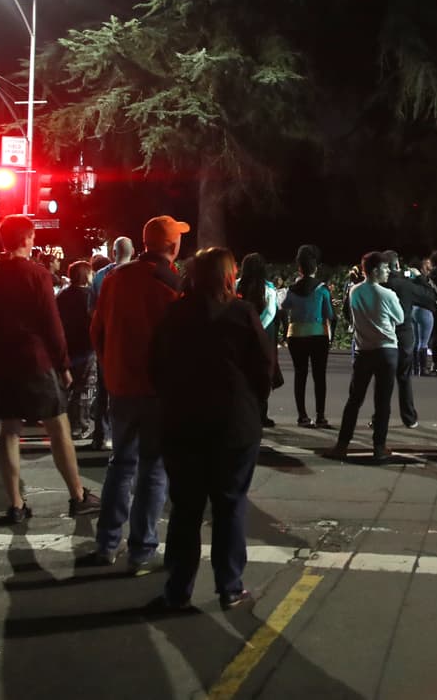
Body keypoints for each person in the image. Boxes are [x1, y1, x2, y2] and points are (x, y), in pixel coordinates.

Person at [151, 247, 272, 611]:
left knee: (186, 508)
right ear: (228, 276)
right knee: (230, 505)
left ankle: (178, 589)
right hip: (234, 424)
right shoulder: (242, 314)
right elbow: (265, 371)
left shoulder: (174, 314)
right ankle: (230, 586)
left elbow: (155, 366)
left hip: (183, 421)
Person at [0, 215, 100, 523]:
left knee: (8, 430)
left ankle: (16, 504)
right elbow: (51, 324)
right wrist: (63, 364)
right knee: (58, 429)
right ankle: (77, 495)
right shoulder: (38, 275)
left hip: (1, 362)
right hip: (36, 360)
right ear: (27, 239)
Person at [89, 216, 184, 571]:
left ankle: (107, 542)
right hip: (158, 389)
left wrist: (111, 365)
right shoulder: (172, 283)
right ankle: (141, 548)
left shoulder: (115, 279)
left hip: (121, 386)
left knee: (120, 464)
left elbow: (96, 330)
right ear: (173, 246)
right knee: (153, 469)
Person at [330, 251, 404, 463]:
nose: (389, 270)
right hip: (387, 350)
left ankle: (342, 444)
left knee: (354, 399)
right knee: (382, 401)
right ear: (374, 271)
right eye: (385, 267)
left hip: (364, 351)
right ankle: (379, 447)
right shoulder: (387, 294)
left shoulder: (354, 291)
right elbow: (399, 318)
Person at [88, 236, 134, 451]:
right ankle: (125, 434)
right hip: (129, 340)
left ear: (114, 252)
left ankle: (101, 434)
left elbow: (91, 310)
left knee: (103, 388)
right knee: (128, 389)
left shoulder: (99, 276)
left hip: (105, 339)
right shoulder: (138, 274)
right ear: (132, 251)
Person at [281, 245, 335, 427]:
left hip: (295, 335)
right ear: (315, 268)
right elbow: (329, 314)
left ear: (299, 268)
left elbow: (285, 306)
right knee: (319, 377)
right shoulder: (322, 289)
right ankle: (321, 416)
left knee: (300, 375)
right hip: (318, 335)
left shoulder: (292, 289)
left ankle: (302, 416)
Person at [384, 250, 432, 429]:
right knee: (404, 377)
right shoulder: (405, 284)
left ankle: (380, 416)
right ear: (397, 265)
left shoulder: (378, 285)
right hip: (403, 334)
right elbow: (429, 298)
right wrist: (419, 277)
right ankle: (409, 417)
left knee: (383, 379)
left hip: (382, 335)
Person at [237, 253, 279, 427]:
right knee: (263, 374)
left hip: (241, 334)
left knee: (243, 374)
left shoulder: (237, 285)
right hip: (264, 336)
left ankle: (242, 412)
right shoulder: (269, 288)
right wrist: (258, 328)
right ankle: (261, 414)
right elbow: (271, 313)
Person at [56, 260, 96, 439]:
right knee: (85, 388)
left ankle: (67, 423)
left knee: (68, 388)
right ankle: (81, 424)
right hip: (87, 347)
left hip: (67, 348)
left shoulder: (62, 296)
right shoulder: (90, 296)